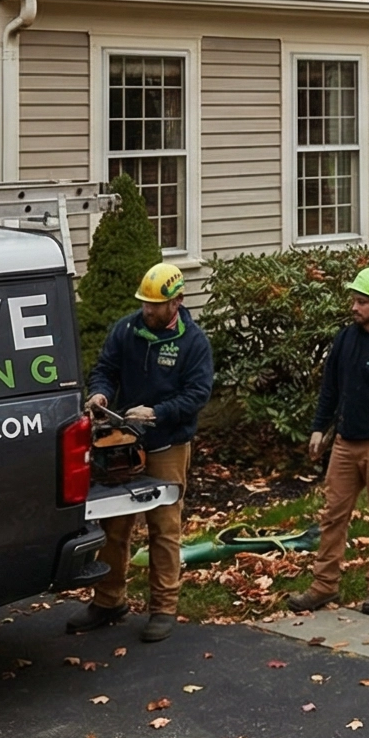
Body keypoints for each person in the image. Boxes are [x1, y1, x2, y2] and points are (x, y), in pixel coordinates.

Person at [72, 262, 212, 643]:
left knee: (164, 528)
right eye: (145, 304)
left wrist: (157, 412)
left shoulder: (193, 342)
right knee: (114, 526)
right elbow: (106, 369)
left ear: (177, 302)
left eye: (156, 305)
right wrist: (100, 392)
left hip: (167, 443)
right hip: (124, 440)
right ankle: (108, 599)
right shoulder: (127, 329)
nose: (148, 311)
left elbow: (197, 395)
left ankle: (164, 607)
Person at [286, 266, 369, 617]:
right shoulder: (346, 338)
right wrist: (320, 428)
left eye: (362, 302)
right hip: (345, 443)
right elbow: (331, 387)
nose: (354, 307)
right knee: (333, 514)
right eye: (354, 300)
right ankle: (323, 586)